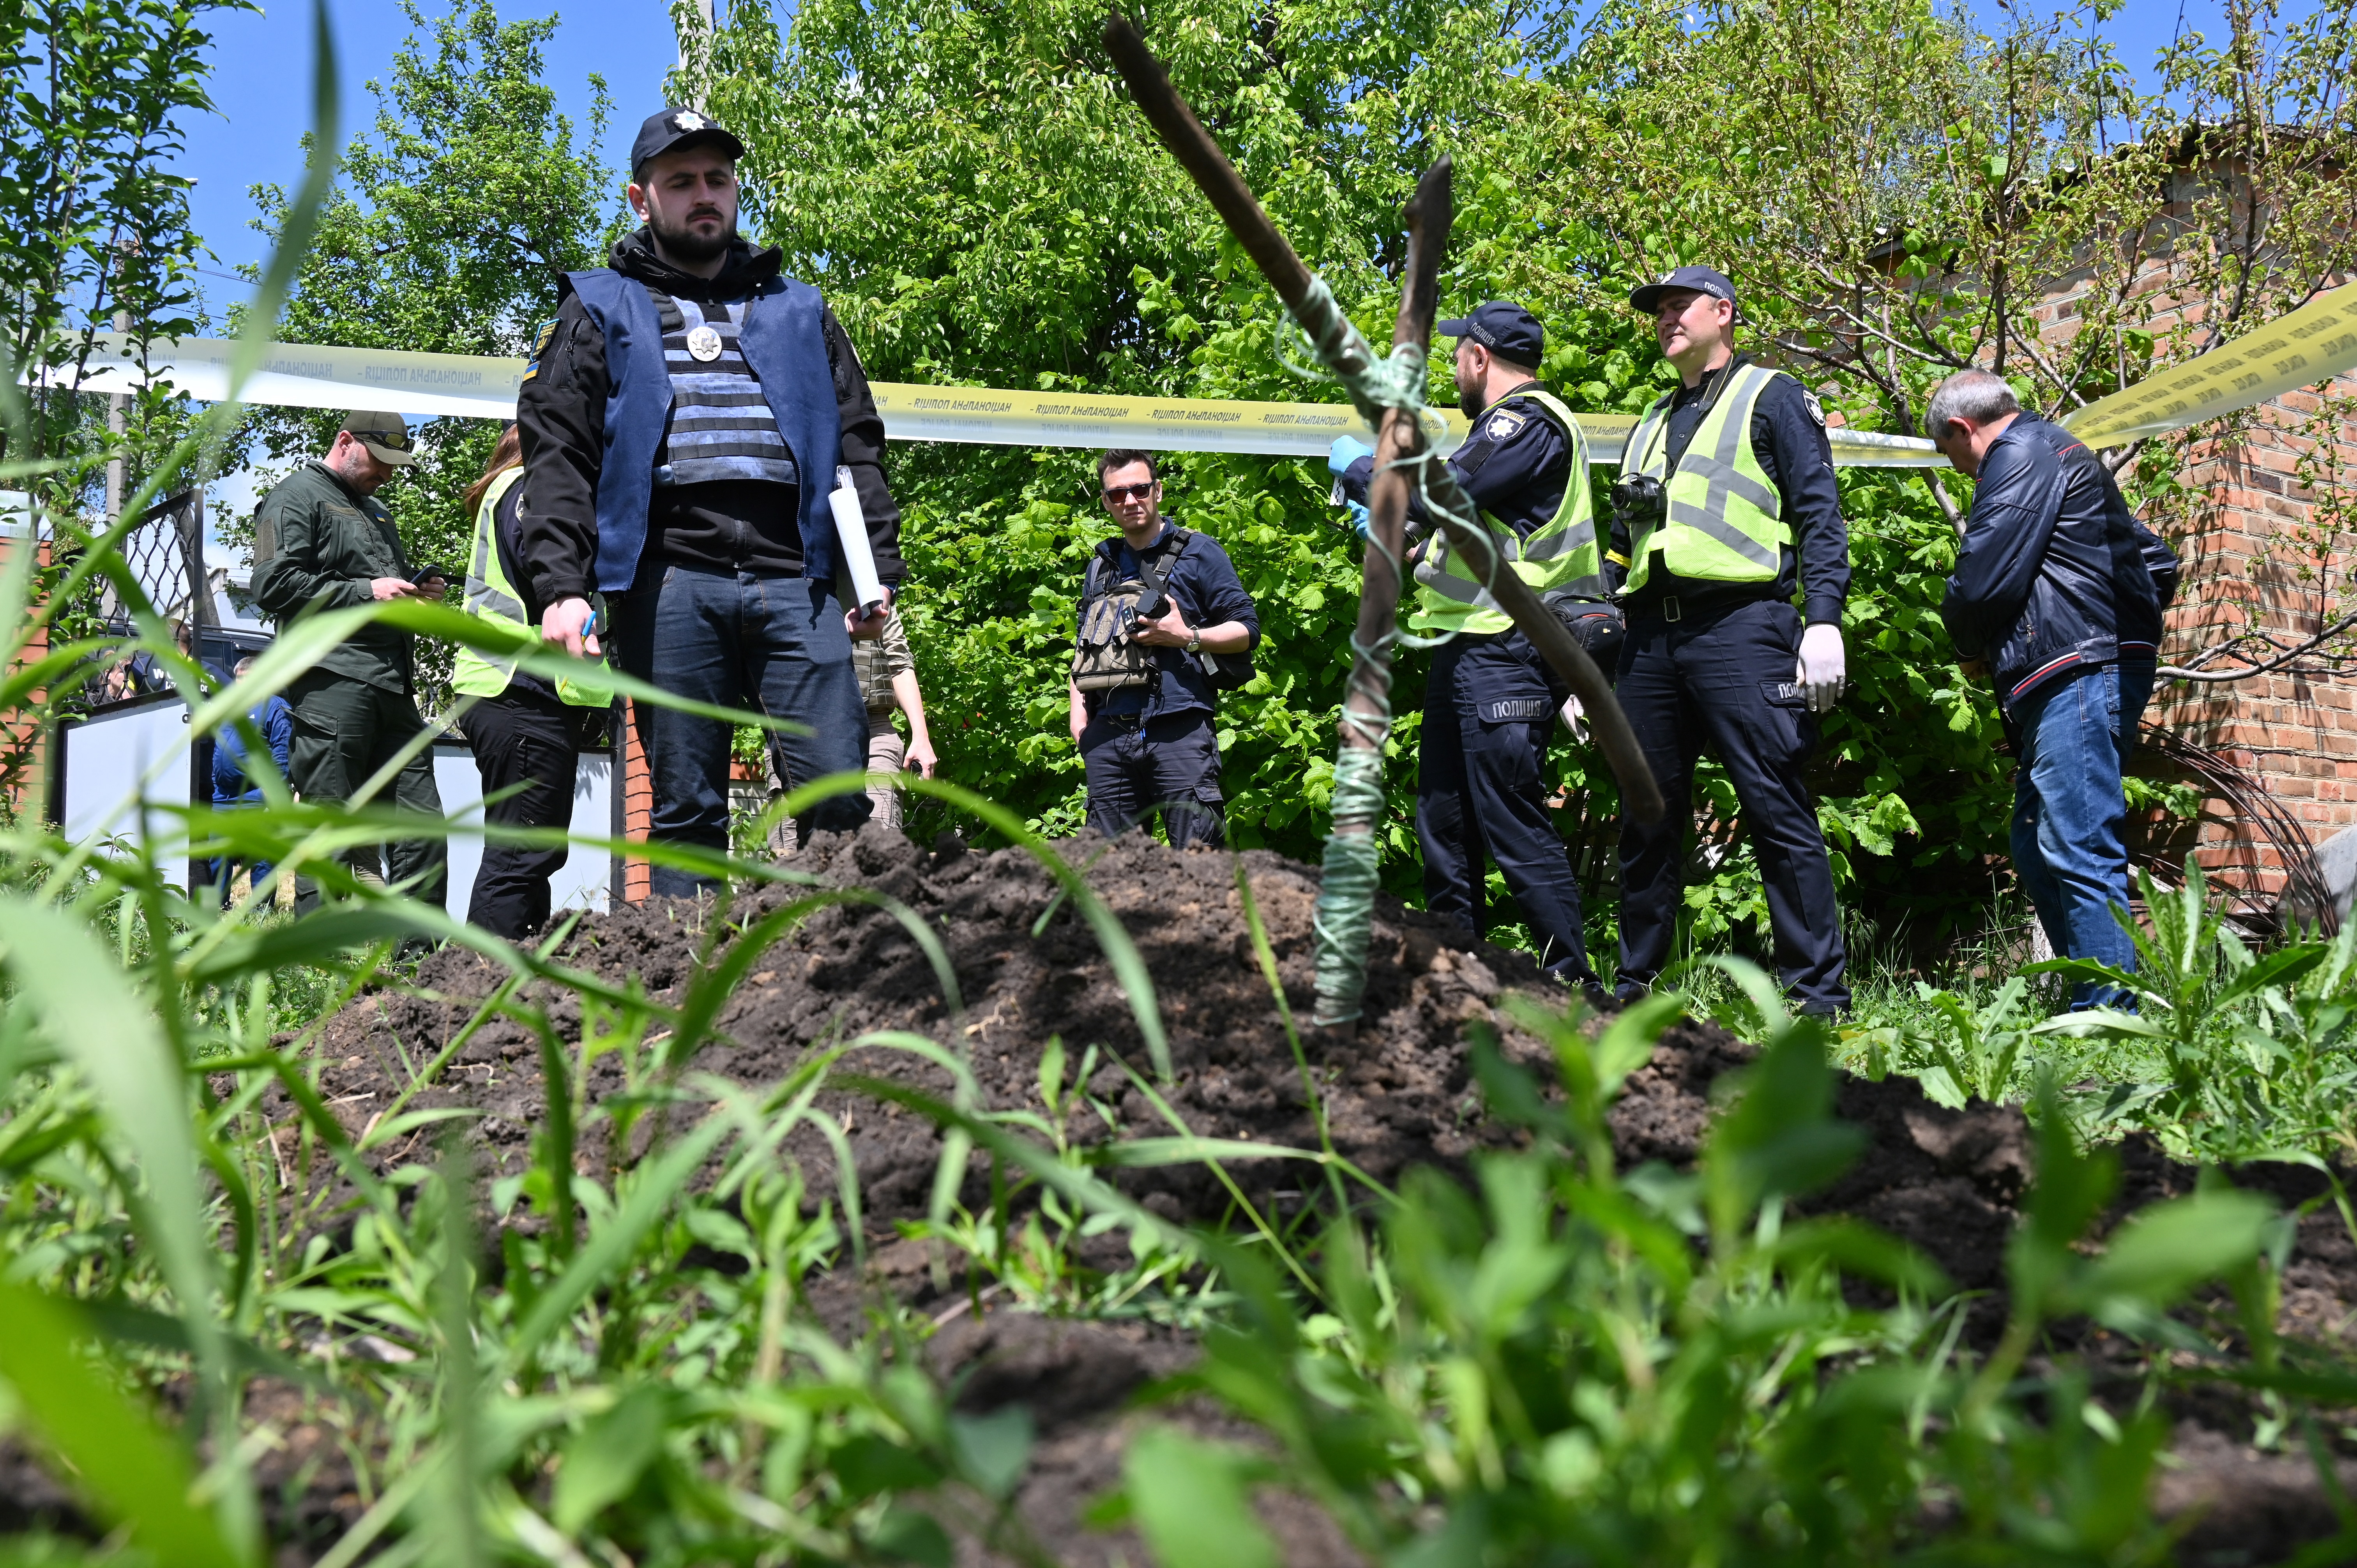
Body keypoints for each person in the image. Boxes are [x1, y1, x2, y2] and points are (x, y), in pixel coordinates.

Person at [517, 107, 905, 892]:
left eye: (718, 179)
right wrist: (561, 588)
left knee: (838, 798)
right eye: (682, 181)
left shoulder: (801, 308)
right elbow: (559, 452)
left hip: (797, 579)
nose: (704, 195)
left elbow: (857, 444)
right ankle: (683, 967)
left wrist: (873, 574)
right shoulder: (597, 306)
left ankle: (838, 959)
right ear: (642, 199)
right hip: (669, 578)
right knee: (688, 809)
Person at [1330, 301, 1611, 996]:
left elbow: (1443, 492)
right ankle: (1457, 976)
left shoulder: (1527, 421)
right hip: (1468, 643)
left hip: (1509, 646)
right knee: (1444, 818)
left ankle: (1570, 984)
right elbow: (1462, 529)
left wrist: (1366, 469)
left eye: (1458, 355)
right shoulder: (1503, 431)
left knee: (1509, 817)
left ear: (1479, 359)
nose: (1453, 366)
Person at [1606, 266, 1852, 1017]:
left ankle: (1817, 1000)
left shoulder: (1771, 395)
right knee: (1645, 815)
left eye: (1679, 306)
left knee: (1775, 805)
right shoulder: (1649, 419)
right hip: (1650, 636)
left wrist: (1823, 618)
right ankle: (1633, 990)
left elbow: (1818, 514)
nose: (1665, 318)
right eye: (1658, 310)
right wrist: (1594, 650)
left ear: (1723, 312)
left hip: (1740, 625)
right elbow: (1619, 544)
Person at [1929, 369, 2180, 1009]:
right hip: (2078, 664)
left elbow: (1978, 583)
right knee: (2035, 845)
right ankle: (2097, 995)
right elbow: (2155, 561)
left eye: (1951, 455)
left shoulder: (2018, 453)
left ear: (1961, 428)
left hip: (2076, 668)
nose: (1961, 472)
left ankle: (2109, 1013)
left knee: (2076, 841)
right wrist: (2120, 625)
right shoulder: (2059, 454)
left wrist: (1968, 646)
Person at [249, 411, 449, 913]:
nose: (387, 473)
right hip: (331, 682)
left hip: (394, 685)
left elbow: (382, 585)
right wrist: (367, 591)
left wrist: (416, 590)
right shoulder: (294, 496)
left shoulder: (377, 511)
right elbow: (271, 584)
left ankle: (421, 951)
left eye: (394, 464)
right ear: (345, 442)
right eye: (379, 460)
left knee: (421, 824)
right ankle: (319, 952)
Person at [451, 425, 617, 940]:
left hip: (510, 689)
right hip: (520, 690)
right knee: (521, 853)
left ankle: (514, 968)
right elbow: (545, 566)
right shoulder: (536, 490)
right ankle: (483, 974)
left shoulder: (511, 489)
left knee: (530, 851)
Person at [1068, 450, 1258, 848]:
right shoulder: (1101, 565)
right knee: (1107, 869)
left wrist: (1187, 636)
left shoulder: (1199, 551)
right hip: (1108, 735)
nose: (1130, 501)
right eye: (1117, 494)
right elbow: (1084, 646)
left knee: (1198, 863)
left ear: (1157, 491)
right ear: (1105, 501)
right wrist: (1080, 722)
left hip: (1179, 729)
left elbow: (1246, 630)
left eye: (1139, 490)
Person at [765, 600, 937, 849]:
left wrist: (921, 737)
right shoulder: (775, 590)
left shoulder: (871, 596)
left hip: (872, 731)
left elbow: (900, 662)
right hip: (796, 736)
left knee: (879, 851)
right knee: (793, 858)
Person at [203, 654, 292, 906]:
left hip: (256, 796)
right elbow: (219, 746)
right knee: (218, 855)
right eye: (238, 679)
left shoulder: (275, 707)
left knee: (261, 857)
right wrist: (216, 780)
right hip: (223, 797)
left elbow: (282, 752)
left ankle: (260, 911)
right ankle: (217, 907)